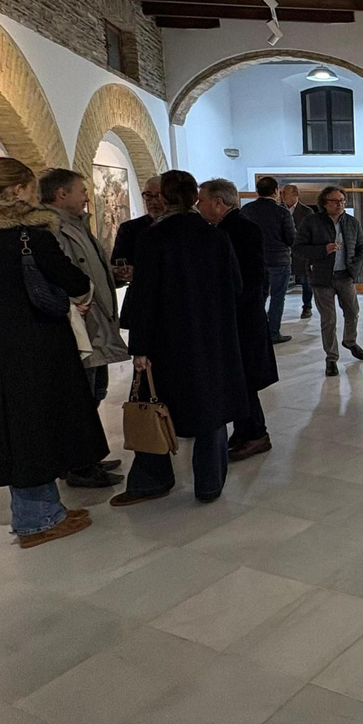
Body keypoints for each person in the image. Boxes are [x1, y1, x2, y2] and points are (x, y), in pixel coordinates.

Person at [0, 157, 103, 549]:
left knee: (18, 425)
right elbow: (73, 278)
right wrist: (76, 297)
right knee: (36, 425)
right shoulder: (30, 233)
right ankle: (37, 520)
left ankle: (46, 508)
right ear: (15, 190)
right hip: (37, 339)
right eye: (29, 187)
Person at [110, 170, 249, 505]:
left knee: (153, 403)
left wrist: (140, 347)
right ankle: (210, 483)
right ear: (193, 198)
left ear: (167, 198)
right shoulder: (214, 236)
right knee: (210, 408)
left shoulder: (153, 238)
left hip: (165, 341)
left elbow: (145, 297)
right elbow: (236, 287)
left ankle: (151, 480)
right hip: (209, 337)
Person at [39, 167, 128, 489]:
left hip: (96, 325)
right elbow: (62, 276)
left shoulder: (75, 225)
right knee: (82, 399)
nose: (86, 196)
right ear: (62, 194)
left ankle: (88, 456)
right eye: (81, 190)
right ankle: (79, 464)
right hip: (82, 330)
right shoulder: (51, 229)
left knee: (96, 393)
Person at [199, 177, 280, 461]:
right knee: (240, 377)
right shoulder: (228, 228)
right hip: (243, 314)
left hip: (242, 317)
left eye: (202, 200)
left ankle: (256, 433)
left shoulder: (238, 229)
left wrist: (235, 308)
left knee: (244, 376)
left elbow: (252, 276)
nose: (198, 206)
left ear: (218, 203)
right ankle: (246, 431)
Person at [296, 186, 363, 376]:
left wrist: (356, 269)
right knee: (328, 320)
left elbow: (362, 247)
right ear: (324, 203)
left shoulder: (352, 222)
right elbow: (298, 248)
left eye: (342, 201)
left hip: (345, 275)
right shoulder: (311, 222)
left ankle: (350, 341)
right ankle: (331, 358)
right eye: (335, 201)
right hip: (322, 278)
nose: (340, 204)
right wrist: (323, 250)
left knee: (353, 312)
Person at [241, 175, 296, 344]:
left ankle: (255, 331)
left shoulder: (247, 210)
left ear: (258, 191)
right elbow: (290, 238)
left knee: (258, 297)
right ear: (275, 192)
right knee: (278, 297)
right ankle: (273, 333)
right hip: (279, 260)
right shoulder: (282, 212)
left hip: (254, 259)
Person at [111, 175, 165, 329]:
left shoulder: (181, 229)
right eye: (148, 195)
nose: (153, 201)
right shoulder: (130, 229)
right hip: (141, 302)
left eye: (158, 196)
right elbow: (117, 262)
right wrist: (121, 272)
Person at [281, 184, 315, 320]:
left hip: (301, 252)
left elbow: (310, 233)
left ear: (295, 194)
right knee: (281, 282)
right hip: (283, 252)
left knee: (306, 281)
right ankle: (277, 308)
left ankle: (307, 307)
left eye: (285, 193)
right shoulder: (279, 210)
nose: (282, 195)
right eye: (282, 193)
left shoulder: (307, 212)